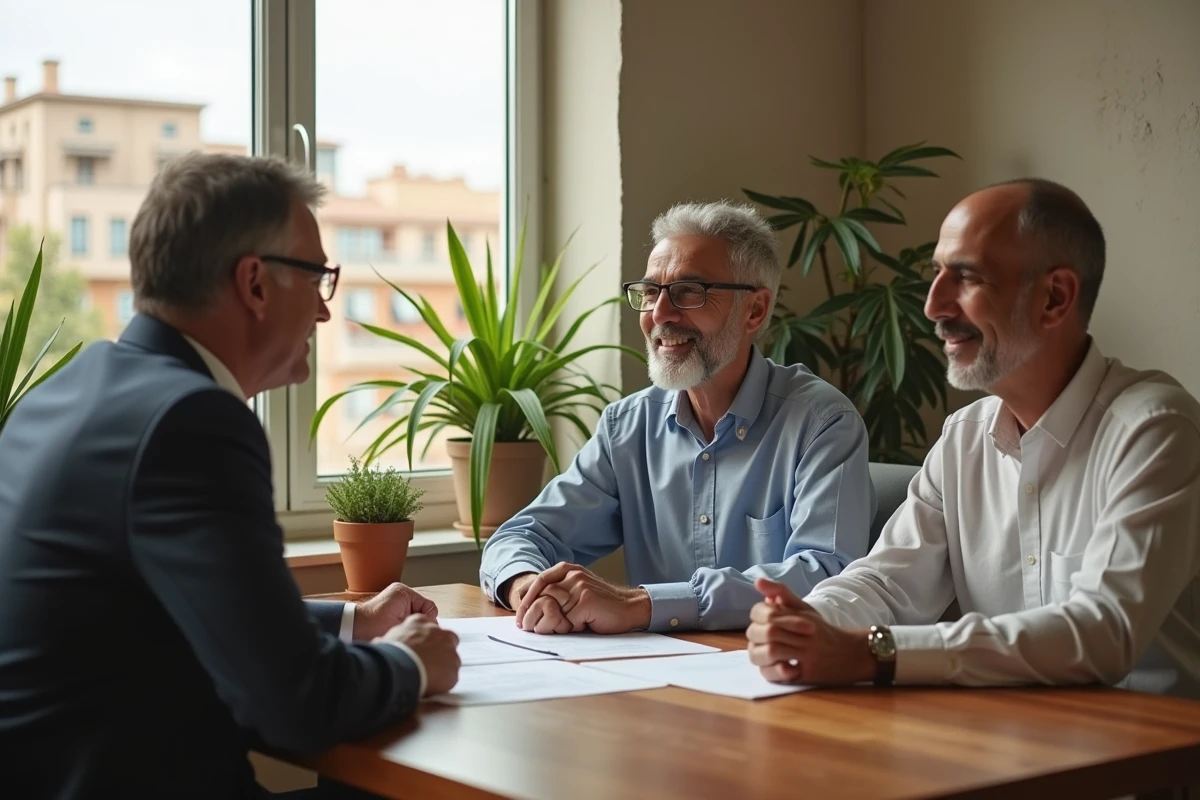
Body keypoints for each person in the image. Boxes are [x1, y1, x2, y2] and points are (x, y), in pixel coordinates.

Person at [0, 152, 461, 799]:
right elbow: (296, 706)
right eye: (318, 277)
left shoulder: (67, 392)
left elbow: (156, 609)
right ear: (255, 283)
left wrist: (351, 623)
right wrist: (412, 663)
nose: (326, 313)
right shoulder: (191, 421)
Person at [746, 178, 1200, 699]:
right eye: (937, 274)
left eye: (966, 278)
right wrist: (808, 622)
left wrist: (873, 652)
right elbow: (886, 582)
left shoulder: (1154, 429)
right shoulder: (965, 438)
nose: (933, 306)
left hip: (1148, 762)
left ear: (1054, 298)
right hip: (1001, 744)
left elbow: (1102, 632)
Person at [479, 201, 875, 635]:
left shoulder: (822, 422)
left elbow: (827, 575)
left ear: (755, 311)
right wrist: (531, 588)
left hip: (775, 674)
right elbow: (521, 537)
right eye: (651, 292)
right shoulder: (627, 427)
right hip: (653, 679)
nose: (660, 314)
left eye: (690, 292)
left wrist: (645, 604)